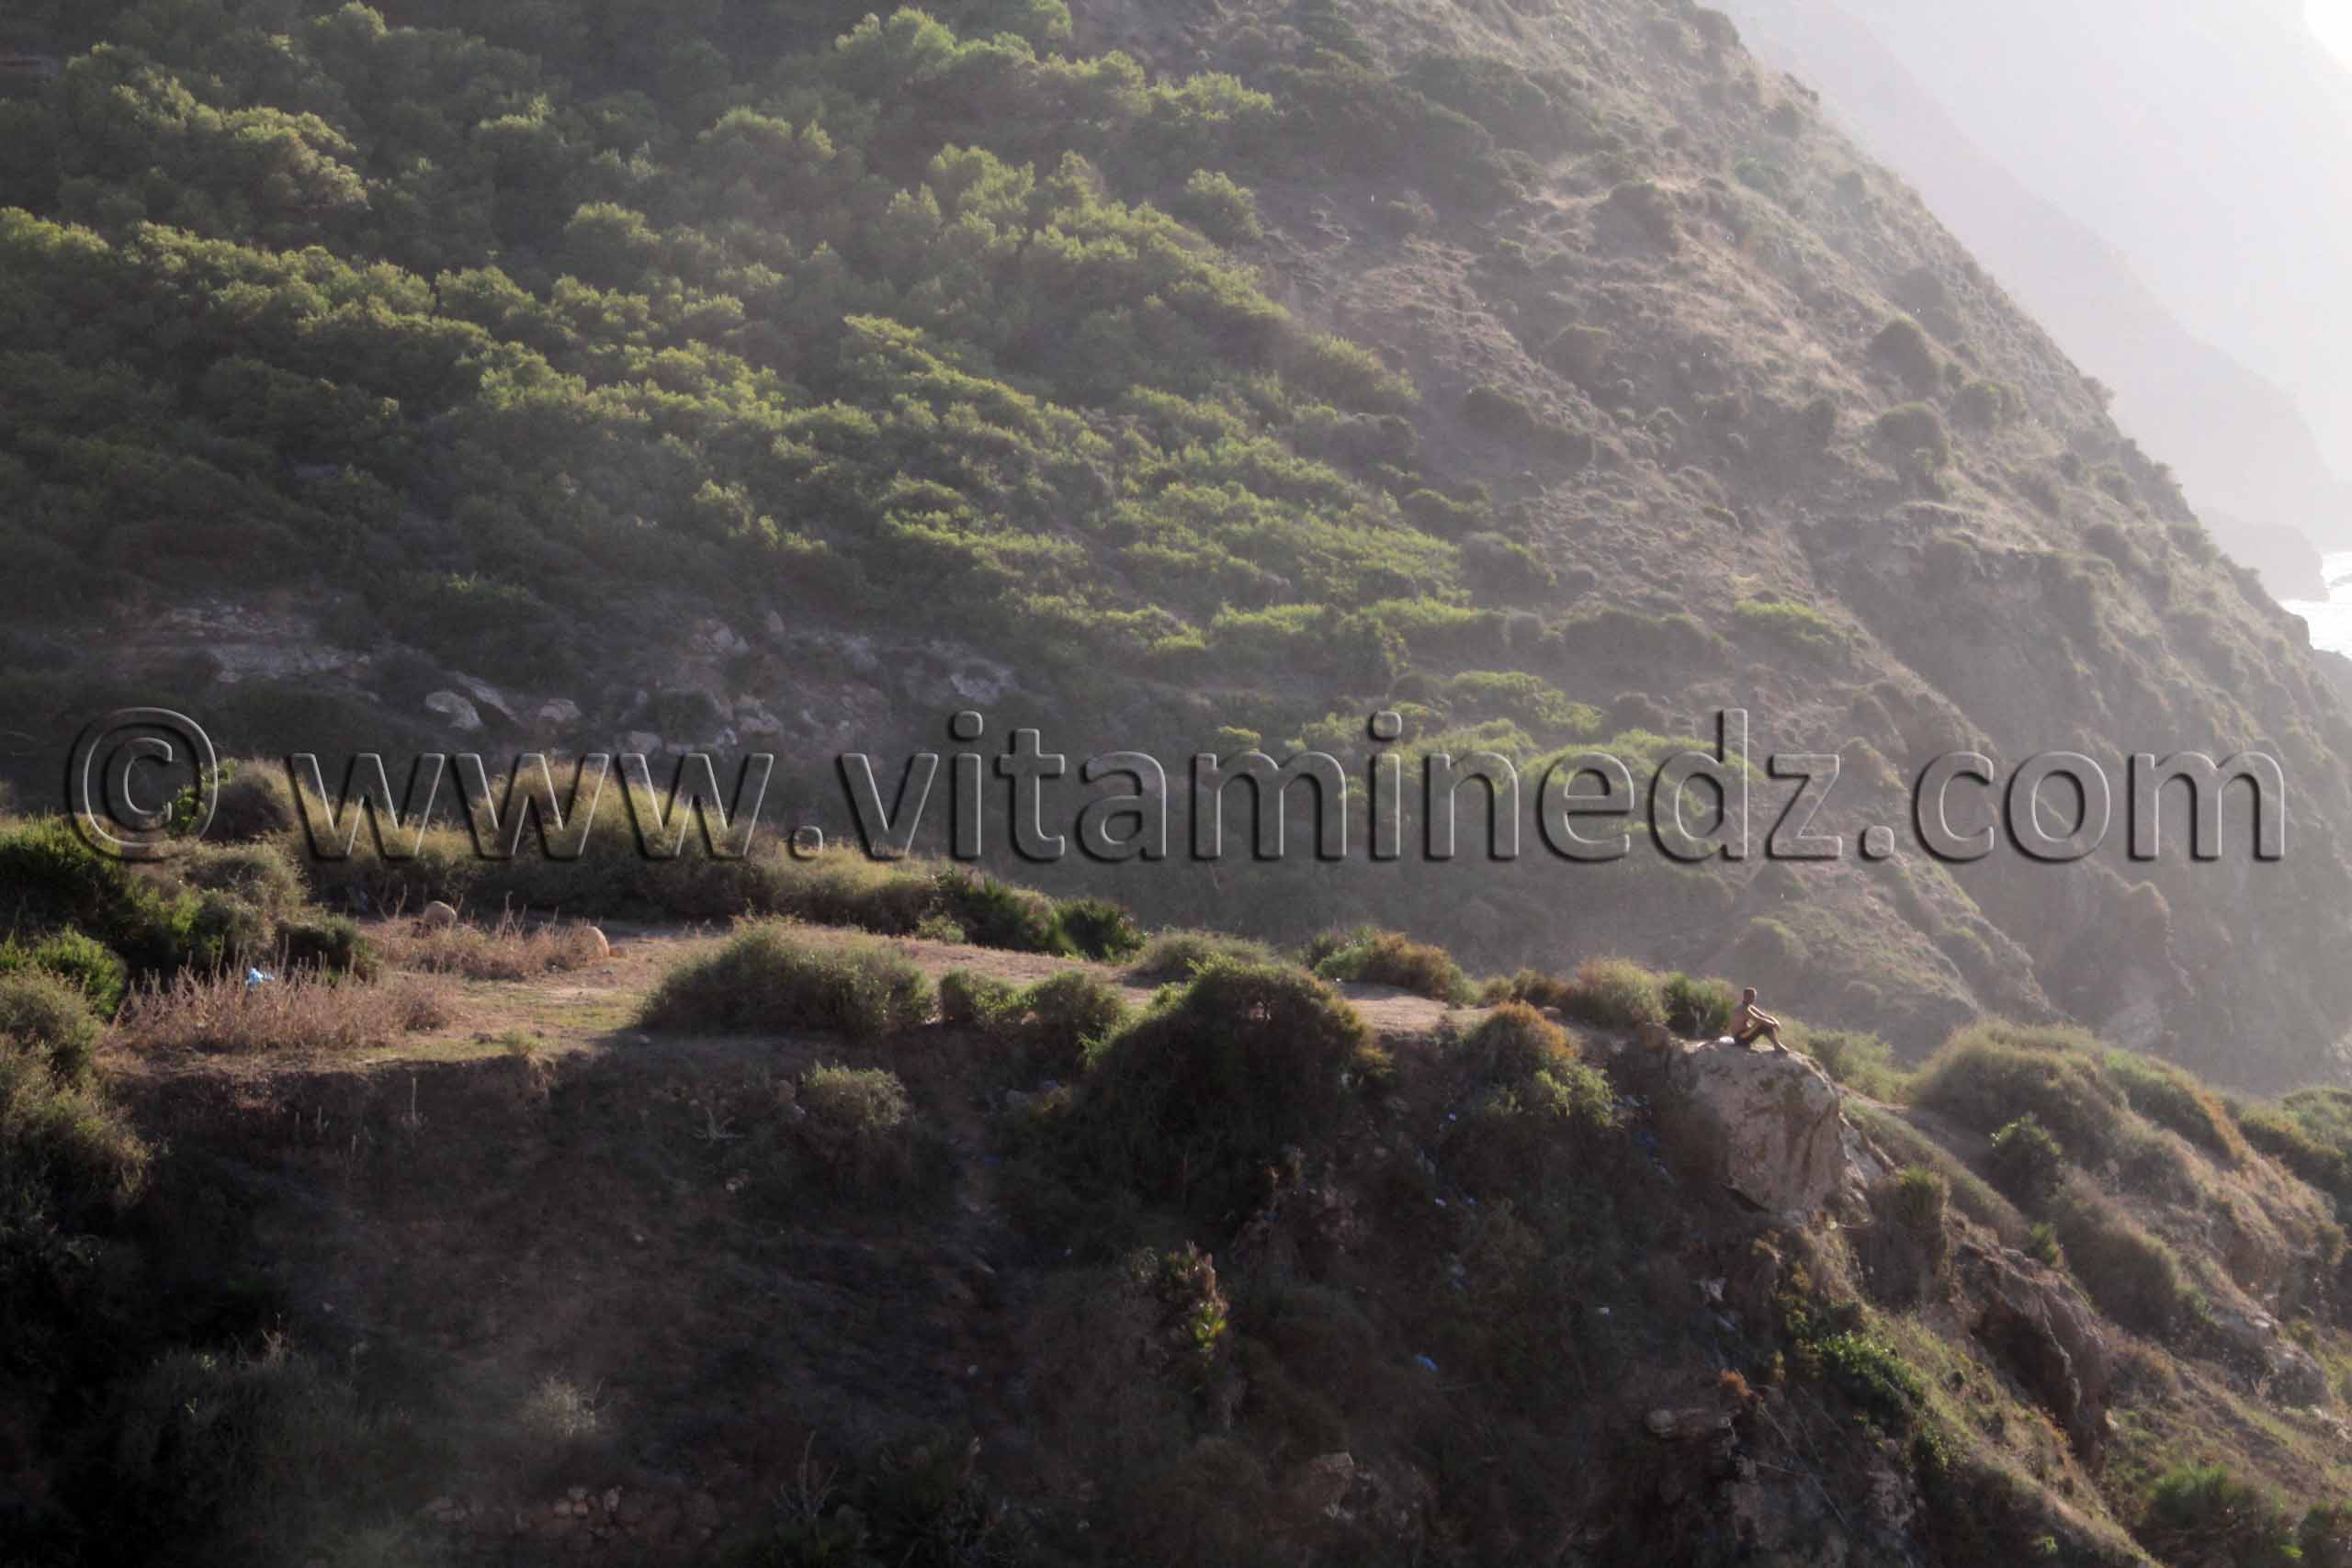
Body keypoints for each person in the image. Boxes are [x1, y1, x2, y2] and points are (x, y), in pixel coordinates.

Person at [1731, 987, 1788, 1053]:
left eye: (1754, 996)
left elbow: (1764, 1015)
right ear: (1745, 996)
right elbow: (1758, 1019)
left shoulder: (1749, 1007)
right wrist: (1774, 1025)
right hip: (1740, 1039)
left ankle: (1777, 1045)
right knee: (1763, 1024)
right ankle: (1777, 1045)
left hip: (1744, 1035)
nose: (1753, 998)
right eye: (1751, 996)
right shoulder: (1743, 1009)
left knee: (1764, 1022)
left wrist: (1776, 1022)